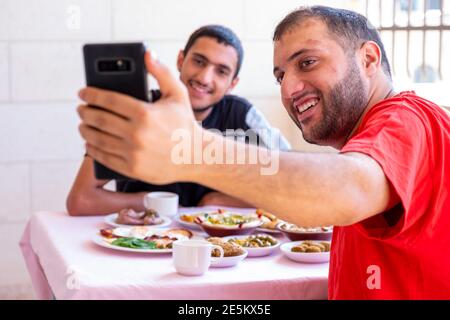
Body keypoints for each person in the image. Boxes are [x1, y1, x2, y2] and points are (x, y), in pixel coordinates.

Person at [76, 6, 450, 299]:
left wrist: (190, 151)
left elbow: (344, 188)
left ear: (368, 59)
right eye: (280, 76)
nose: (289, 89)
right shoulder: (372, 135)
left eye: (307, 62)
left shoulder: (409, 118)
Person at [67, 25, 290, 215]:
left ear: (232, 83)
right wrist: (150, 202)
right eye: (199, 61)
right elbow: (81, 200)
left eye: (221, 71)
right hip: (144, 240)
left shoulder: (243, 116)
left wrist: (215, 202)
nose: (204, 78)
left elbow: (291, 185)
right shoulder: (140, 112)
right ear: (181, 60)